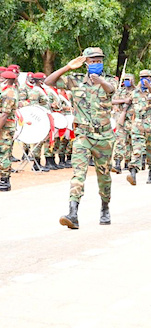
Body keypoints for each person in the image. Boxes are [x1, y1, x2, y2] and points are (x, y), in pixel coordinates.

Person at [45, 47, 117, 229]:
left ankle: (105, 207)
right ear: (85, 63)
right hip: (83, 135)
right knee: (78, 173)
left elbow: (110, 90)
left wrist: (100, 81)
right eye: (92, 61)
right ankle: (73, 213)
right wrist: (67, 67)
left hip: (104, 137)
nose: (95, 64)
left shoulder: (109, 80)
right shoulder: (75, 81)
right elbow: (48, 81)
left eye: (99, 60)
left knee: (104, 175)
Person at [126, 69, 151, 185]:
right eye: (141, 77)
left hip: (150, 124)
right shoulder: (135, 92)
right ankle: (133, 173)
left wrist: (149, 86)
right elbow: (128, 104)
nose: (144, 79)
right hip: (138, 124)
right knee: (137, 149)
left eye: (146, 77)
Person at [0, 70, 19, 192]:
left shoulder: (9, 93)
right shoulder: (8, 90)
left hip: (5, 127)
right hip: (7, 126)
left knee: (4, 153)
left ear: (5, 80)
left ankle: (4, 180)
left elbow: (4, 115)